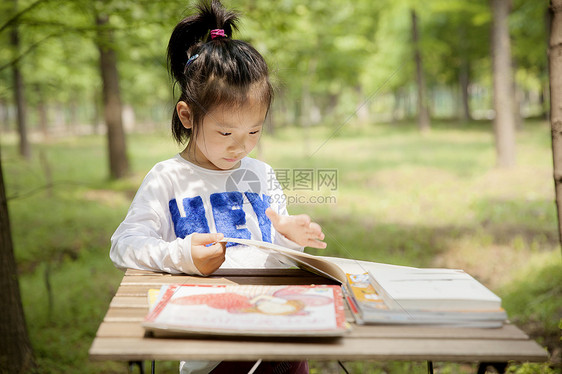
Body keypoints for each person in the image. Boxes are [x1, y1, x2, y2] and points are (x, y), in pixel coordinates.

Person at [110, 1, 325, 372]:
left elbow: (275, 261)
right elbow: (123, 246)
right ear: (187, 115)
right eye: (225, 132)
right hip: (211, 352)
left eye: (254, 131)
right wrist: (183, 256)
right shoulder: (168, 178)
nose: (240, 146)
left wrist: (289, 238)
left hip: (280, 338)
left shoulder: (260, 175)